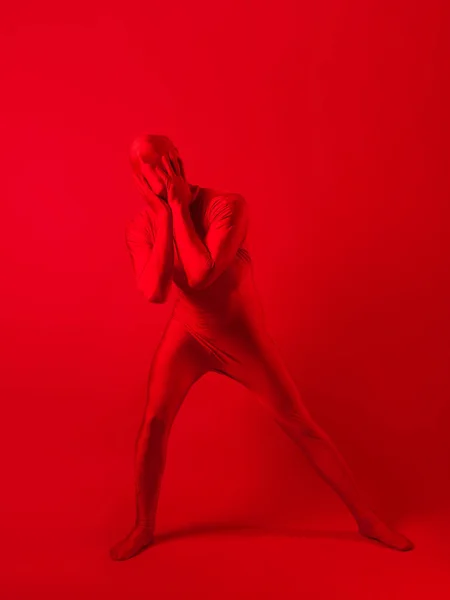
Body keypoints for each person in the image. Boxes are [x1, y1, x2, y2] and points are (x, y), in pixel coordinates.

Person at [110, 134, 414, 561]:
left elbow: (200, 276)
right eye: (147, 169)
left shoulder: (227, 206)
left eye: (164, 162)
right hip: (189, 333)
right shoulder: (140, 227)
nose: (158, 173)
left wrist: (179, 208)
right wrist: (164, 216)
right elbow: (155, 292)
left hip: (241, 335)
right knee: (154, 421)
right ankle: (143, 526)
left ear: (178, 160)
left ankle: (367, 518)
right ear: (138, 180)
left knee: (299, 423)